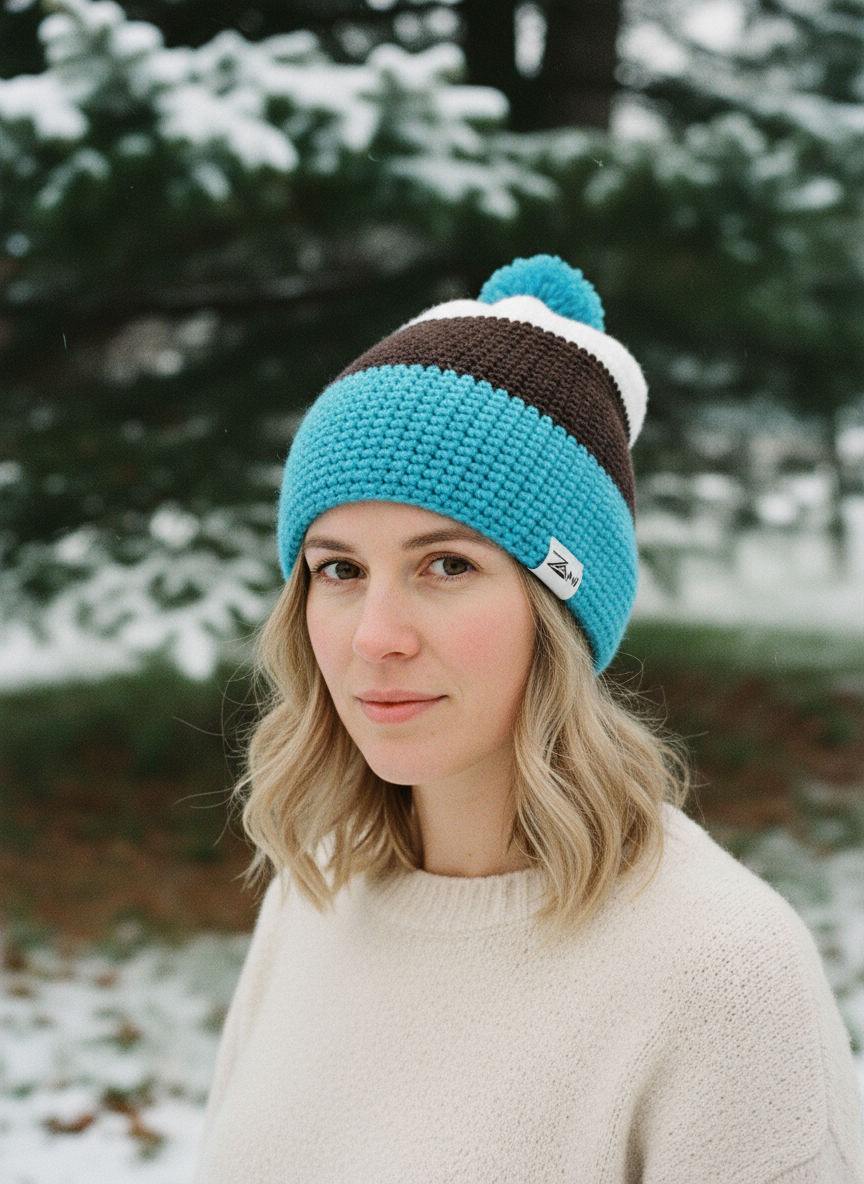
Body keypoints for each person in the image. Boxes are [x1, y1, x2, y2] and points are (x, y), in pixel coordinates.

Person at [194, 256, 864, 1183]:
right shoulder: (314, 897)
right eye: (339, 569)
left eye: (447, 565)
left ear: (561, 611)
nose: (374, 637)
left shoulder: (722, 971)